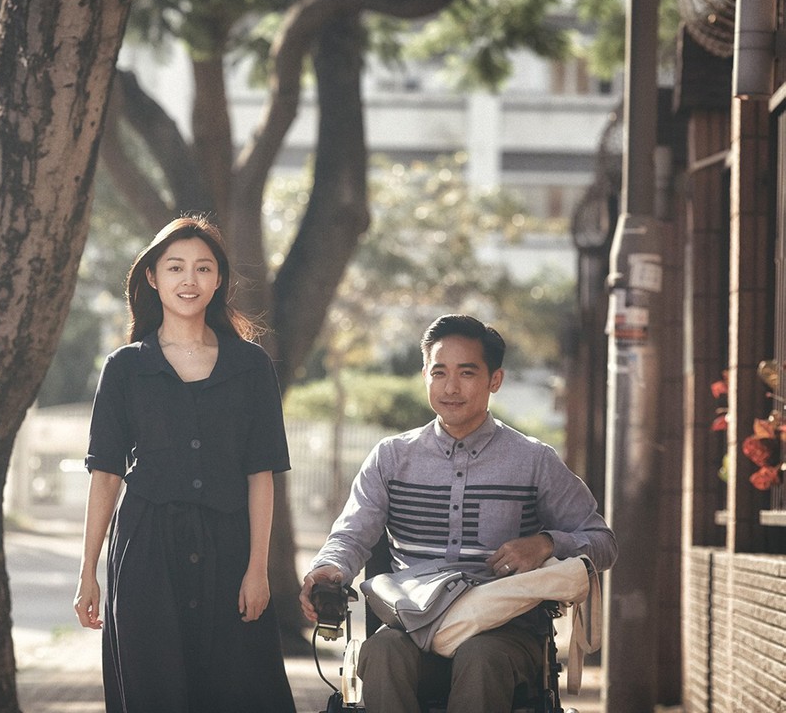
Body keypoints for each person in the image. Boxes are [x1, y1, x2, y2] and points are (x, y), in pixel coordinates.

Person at [299, 314, 617, 713]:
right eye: (440, 372)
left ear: (494, 380)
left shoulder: (534, 461)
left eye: (467, 373)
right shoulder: (391, 458)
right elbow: (351, 535)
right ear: (425, 376)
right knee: (380, 652)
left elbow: (603, 542)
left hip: (503, 630)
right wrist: (329, 569)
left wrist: (546, 543)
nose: (451, 387)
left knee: (481, 657)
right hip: (410, 622)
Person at [74, 215, 297, 713]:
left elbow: (261, 474)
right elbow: (105, 474)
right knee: (156, 691)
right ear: (153, 277)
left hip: (231, 548)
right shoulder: (126, 367)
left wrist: (257, 568)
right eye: (175, 268)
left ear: (219, 280)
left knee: (240, 691)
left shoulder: (251, 366)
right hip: (147, 551)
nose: (189, 280)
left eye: (202, 268)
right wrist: (88, 571)